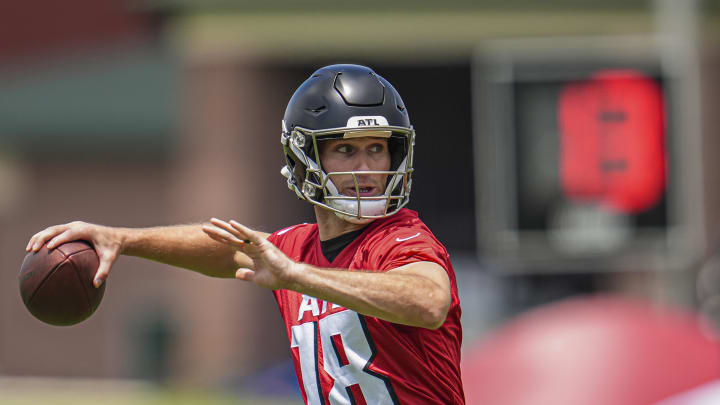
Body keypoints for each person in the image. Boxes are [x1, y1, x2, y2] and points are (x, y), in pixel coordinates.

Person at [25, 64, 464, 405]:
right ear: (304, 157)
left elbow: (427, 301)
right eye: (346, 149)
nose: (366, 170)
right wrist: (121, 239)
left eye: (377, 149)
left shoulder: (402, 238)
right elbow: (227, 251)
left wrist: (296, 276)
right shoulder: (299, 247)